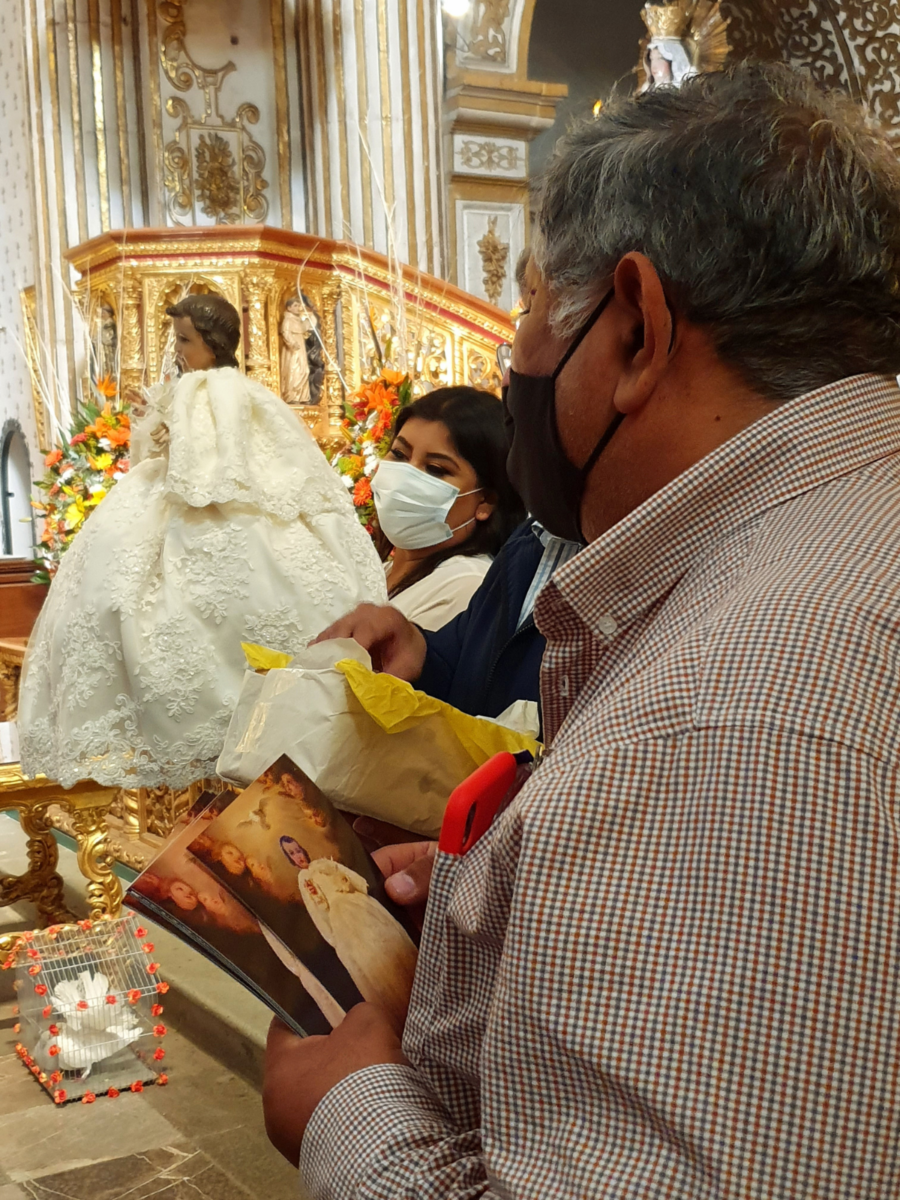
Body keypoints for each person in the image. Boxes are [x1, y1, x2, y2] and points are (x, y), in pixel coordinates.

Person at [263, 64, 900, 1197]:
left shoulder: (743, 708)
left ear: (639, 327)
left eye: (528, 303)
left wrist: (345, 1110)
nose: (514, 354)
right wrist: (502, 899)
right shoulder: (829, 541)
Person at [18, 293, 386, 790]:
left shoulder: (207, 391)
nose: (179, 351)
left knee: (176, 611)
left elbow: (201, 468)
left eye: (185, 341)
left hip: (205, 502)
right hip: (217, 502)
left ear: (212, 343)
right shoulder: (248, 391)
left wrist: (171, 444)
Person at [373, 387, 524, 631]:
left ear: (485, 501)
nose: (404, 478)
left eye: (434, 469)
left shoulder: (467, 587)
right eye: (399, 454)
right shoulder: (385, 568)